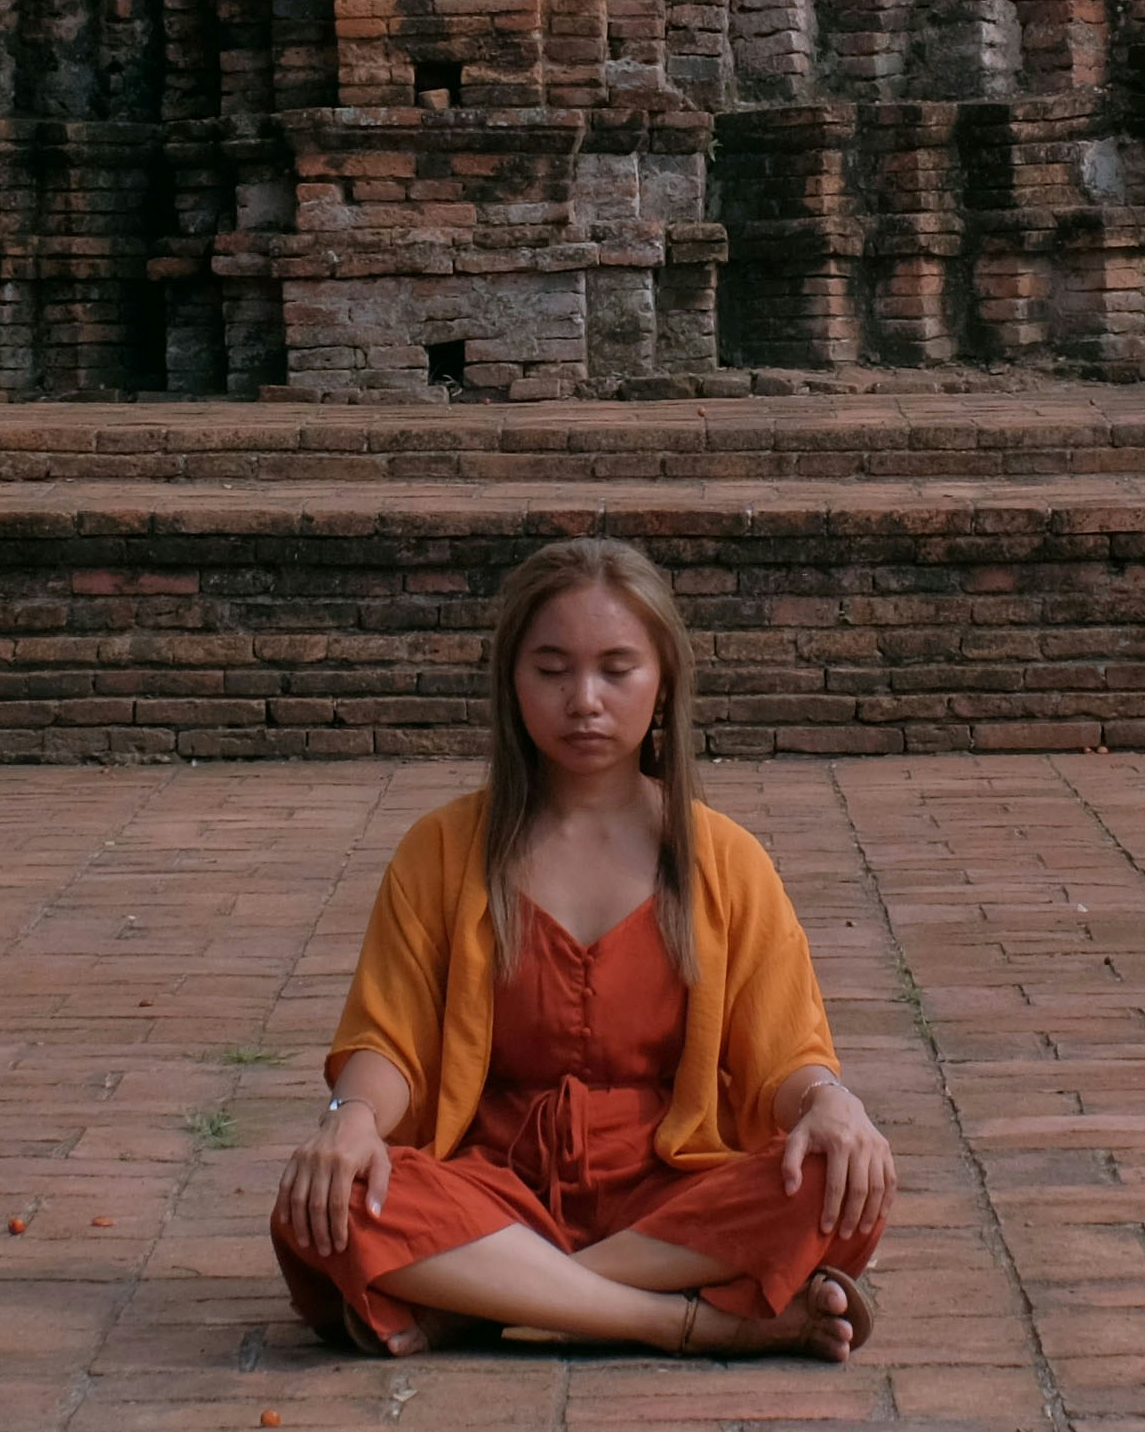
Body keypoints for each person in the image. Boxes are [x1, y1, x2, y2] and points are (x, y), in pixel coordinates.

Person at [271, 537, 892, 1360]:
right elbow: (391, 1041)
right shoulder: (444, 850)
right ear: (512, 683)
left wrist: (830, 1103)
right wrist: (349, 1124)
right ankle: (679, 1321)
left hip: (669, 1186)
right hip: (491, 1184)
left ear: (665, 681)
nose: (585, 701)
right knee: (333, 1196)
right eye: (553, 670)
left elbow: (787, 1059)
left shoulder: (724, 860)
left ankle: (491, 1296)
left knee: (838, 1181)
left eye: (617, 669)